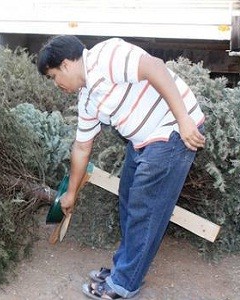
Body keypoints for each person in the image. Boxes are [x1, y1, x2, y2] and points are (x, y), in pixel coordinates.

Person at [37, 35, 205, 299]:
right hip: (143, 141)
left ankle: (124, 283)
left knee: (144, 210)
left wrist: (184, 120)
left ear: (67, 64)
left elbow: (155, 67)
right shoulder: (88, 98)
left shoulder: (106, 55)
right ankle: (124, 270)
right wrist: (71, 194)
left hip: (173, 132)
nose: (56, 84)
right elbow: (82, 147)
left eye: (53, 76)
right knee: (128, 201)